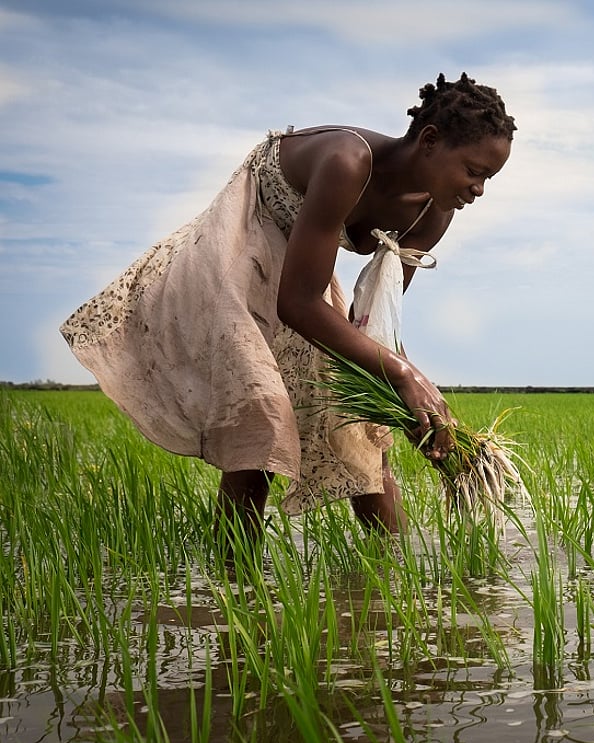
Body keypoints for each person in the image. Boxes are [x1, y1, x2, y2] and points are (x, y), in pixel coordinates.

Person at [60, 73, 516, 551]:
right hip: (244, 241)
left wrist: (414, 414)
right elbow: (296, 303)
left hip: (303, 269)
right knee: (262, 414)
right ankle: (235, 593)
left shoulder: (433, 214)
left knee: (359, 431)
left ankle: (395, 585)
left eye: (488, 178)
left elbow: (374, 325)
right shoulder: (347, 160)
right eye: (473, 170)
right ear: (430, 140)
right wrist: (405, 374)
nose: (479, 189)